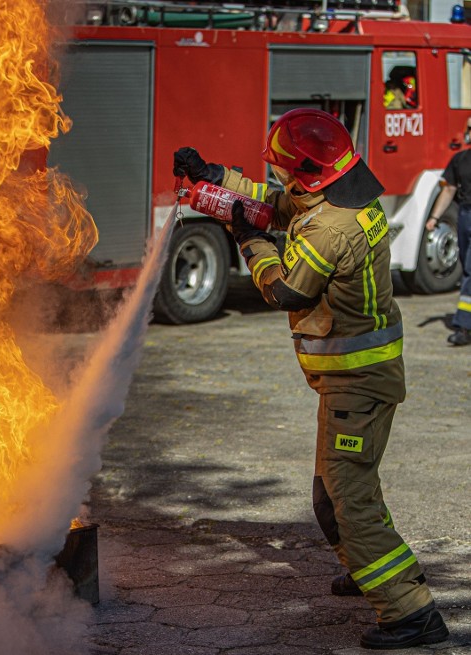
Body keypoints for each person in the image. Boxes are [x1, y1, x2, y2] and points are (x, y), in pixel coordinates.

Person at [173, 108, 450, 650]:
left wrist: (248, 240)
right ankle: (372, 569)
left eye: (283, 169)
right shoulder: (341, 194)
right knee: (335, 493)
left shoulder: (329, 228)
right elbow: (279, 201)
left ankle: (410, 614)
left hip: (358, 384)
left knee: (347, 499)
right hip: (356, 381)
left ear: (307, 172)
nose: (279, 179)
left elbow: (286, 292)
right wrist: (215, 177)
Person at [424, 116, 471, 347]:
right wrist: (434, 218)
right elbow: (449, 190)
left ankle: (464, 325)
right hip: (465, 215)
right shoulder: (459, 160)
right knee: (465, 265)